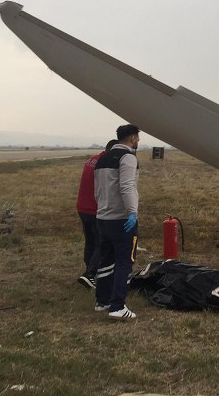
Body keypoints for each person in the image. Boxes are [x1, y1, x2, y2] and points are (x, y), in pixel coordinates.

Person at [93, 124, 141, 320]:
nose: (138, 141)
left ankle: (101, 301)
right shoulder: (128, 157)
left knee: (105, 260)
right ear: (132, 138)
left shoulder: (102, 158)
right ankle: (117, 306)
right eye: (137, 137)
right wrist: (132, 212)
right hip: (121, 219)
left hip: (103, 217)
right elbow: (127, 186)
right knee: (124, 262)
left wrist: (102, 208)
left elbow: (97, 190)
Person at [76, 139, 118, 289]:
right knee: (102, 242)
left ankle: (89, 272)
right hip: (95, 209)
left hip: (82, 207)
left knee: (90, 242)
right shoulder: (106, 164)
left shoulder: (91, 160)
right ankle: (90, 274)